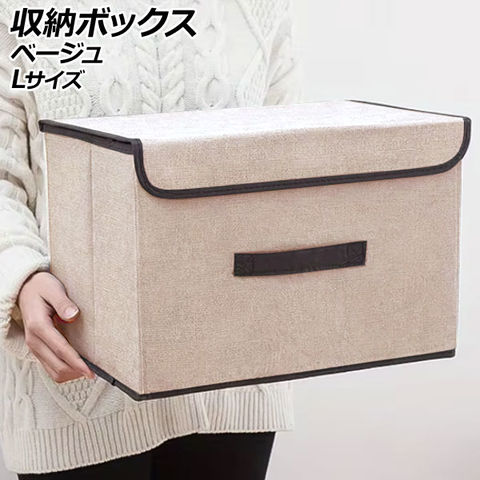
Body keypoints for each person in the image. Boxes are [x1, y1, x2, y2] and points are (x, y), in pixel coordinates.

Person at [0, 0, 300, 478]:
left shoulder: (259, 8)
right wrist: (21, 274)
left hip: (234, 371)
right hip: (77, 375)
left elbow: (286, 154)